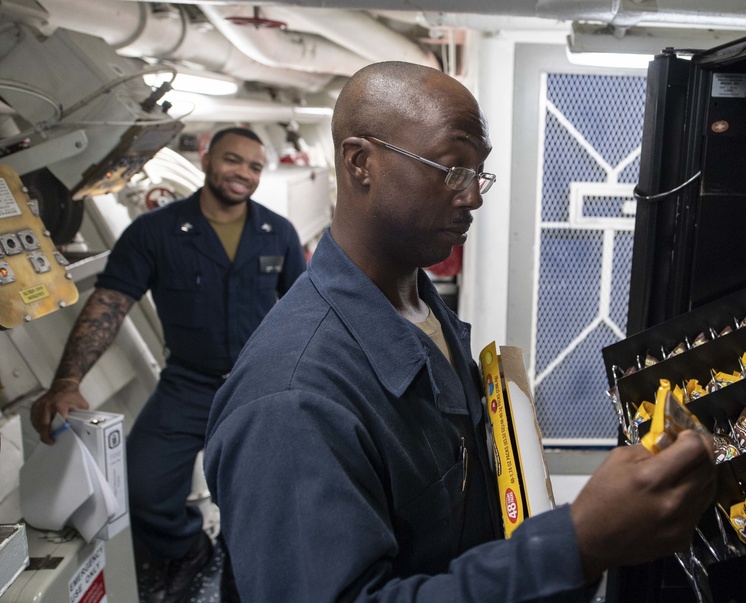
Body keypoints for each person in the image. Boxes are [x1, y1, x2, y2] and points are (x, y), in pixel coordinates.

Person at [204, 62, 716, 602]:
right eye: (451, 169)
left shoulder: (418, 306)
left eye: (478, 173)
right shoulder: (291, 400)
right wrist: (576, 544)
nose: (473, 196)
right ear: (360, 163)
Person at [30, 127, 307, 603]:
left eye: (254, 166)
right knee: (142, 488)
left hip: (256, 387)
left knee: (265, 498)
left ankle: (247, 581)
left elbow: (304, 312)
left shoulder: (277, 232)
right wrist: (67, 380)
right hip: (187, 385)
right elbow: (110, 304)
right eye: (232, 160)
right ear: (205, 159)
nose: (243, 173)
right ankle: (189, 548)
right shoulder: (155, 232)